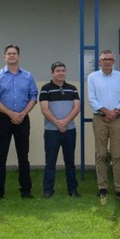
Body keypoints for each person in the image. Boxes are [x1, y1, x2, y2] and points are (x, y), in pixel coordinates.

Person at [0, 43, 38, 200]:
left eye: (14, 53)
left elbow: (33, 96)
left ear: (18, 56)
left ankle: (26, 191)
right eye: (9, 53)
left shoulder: (28, 76)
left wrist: (22, 113)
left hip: (23, 119)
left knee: (23, 156)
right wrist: (10, 113)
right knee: (1, 157)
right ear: (4, 56)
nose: (11, 55)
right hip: (3, 119)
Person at [87, 49, 120, 200]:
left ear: (113, 61)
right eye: (104, 59)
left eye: (109, 59)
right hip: (100, 119)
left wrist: (114, 112)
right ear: (99, 62)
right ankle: (102, 187)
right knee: (101, 154)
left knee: (117, 155)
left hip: (117, 119)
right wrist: (106, 112)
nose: (107, 62)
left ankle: (119, 188)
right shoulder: (92, 77)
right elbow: (92, 99)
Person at [39, 61, 81, 198]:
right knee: (50, 162)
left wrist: (65, 122)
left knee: (70, 162)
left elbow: (77, 107)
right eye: (58, 71)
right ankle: (48, 190)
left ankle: (73, 189)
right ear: (52, 73)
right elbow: (44, 109)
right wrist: (58, 123)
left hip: (70, 130)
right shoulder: (46, 89)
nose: (61, 73)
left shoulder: (73, 88)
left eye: (63, 70)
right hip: (52, 131)